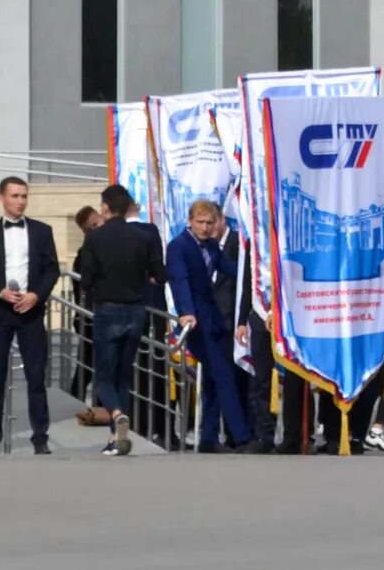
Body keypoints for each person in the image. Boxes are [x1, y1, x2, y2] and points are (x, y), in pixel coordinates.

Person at [72, 184, 165, 457]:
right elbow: (160, 275)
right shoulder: (143, 237)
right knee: (124, 376)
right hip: (136, 311)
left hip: (108, 310)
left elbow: (86, 280)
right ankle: (117, 437)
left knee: (104, 376)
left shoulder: (95, 239)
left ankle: (116, 415)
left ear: (105, 207)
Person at [0, 175, 61, 455]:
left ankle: (40, 439)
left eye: (24, 196)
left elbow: (52, 269)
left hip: (30, 313)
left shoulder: (41, 231)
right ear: (2, 198)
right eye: (15, 196)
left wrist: (36, 295)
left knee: (36, 377)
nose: (20, 201)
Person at [165, 198, 259, 454]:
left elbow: (231, 269)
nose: (205, 227)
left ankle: (208, 437)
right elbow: (179, 280)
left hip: (214, 320)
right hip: (196, 322)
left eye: (209, 223)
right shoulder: (178, 247)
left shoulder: (211, 247)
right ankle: (242, 437)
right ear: (190, 221)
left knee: (214, 381)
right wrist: (185, 312)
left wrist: (258, 268)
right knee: (224, 376)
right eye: (200, 222)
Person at [66, 204, 108, 426]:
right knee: (87, 365)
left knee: (96, 366)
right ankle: (78, 404)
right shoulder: (86, 253)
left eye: (97, 225)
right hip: (89, 317)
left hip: (97, 316)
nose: (95, 231)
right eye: (90, 229)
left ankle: (98, 407)